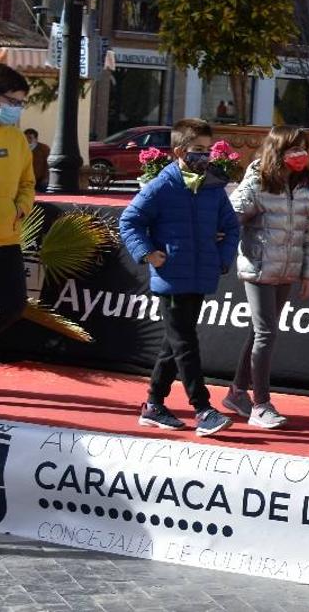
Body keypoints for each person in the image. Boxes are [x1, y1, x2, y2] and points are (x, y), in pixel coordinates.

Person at [118, 118, 239, 438]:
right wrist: (148, 253)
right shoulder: (162, 185)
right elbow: (130, 221)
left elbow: (232, 226)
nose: (204, 156)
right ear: (178, 152)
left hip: (200, 276)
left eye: (207, 150)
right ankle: (202, 409)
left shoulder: (213, 187)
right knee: (185, 342)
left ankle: (153, 405)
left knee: (174, 343)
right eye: (197, 150)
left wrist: (222, 260)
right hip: (171, 277)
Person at [222, 126, 309, 430]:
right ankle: (261, 405)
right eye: (293, 149)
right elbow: (231, 216)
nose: (300, 155)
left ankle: (237, 393)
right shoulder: (258, 182)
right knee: (266, 333)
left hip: (287, 270)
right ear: (277, 151)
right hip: (259, 268)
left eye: (303, 148)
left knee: (260, 331)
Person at [0, 63, 35, 350]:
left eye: (21, 103)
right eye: (13, 102)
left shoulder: (16, 138)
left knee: (13, 307)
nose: (17, 109)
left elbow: (28, 183)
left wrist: (21, 208)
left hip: (6, 241)